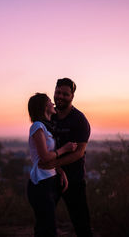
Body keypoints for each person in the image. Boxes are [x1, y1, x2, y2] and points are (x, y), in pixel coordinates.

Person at [39, 78, 93, 237]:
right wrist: (54, 167)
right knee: (44, 222)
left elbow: (79, 152)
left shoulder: (79, 120)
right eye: (57, 92)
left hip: (74, 179)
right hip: (50, 178)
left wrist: (54, 163)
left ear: (72, 96)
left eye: (65, 94)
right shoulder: (49, 116)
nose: (60, 96)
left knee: (82, 224)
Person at [27, 93, 77, 237]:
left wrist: (60, 171)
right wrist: (65, 149)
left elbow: (49, 159)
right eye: (49, 101)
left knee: (45, 227)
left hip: (49, 180)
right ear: (43, 106)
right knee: (47, 228)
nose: (53, 103)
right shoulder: (37, 126)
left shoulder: (47, 127)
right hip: (40, 183)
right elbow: (44, 157)